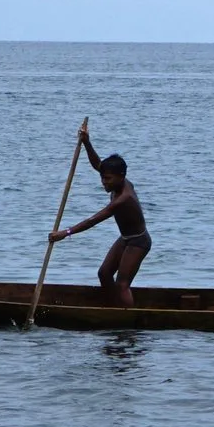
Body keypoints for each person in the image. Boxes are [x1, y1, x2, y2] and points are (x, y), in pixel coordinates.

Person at [50, 121, 151, 307]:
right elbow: (98, 164)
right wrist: (87, 142)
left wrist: (66, 233)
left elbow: (94, 220)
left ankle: (128, 319)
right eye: (102, 178)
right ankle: (114, 307)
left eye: (108, 179)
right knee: (104, 274)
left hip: (139, 241)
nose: (104, 182)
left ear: (121, 176)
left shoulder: (124, 198)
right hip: (126, 237)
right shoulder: (117, 180)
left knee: (122, 284)